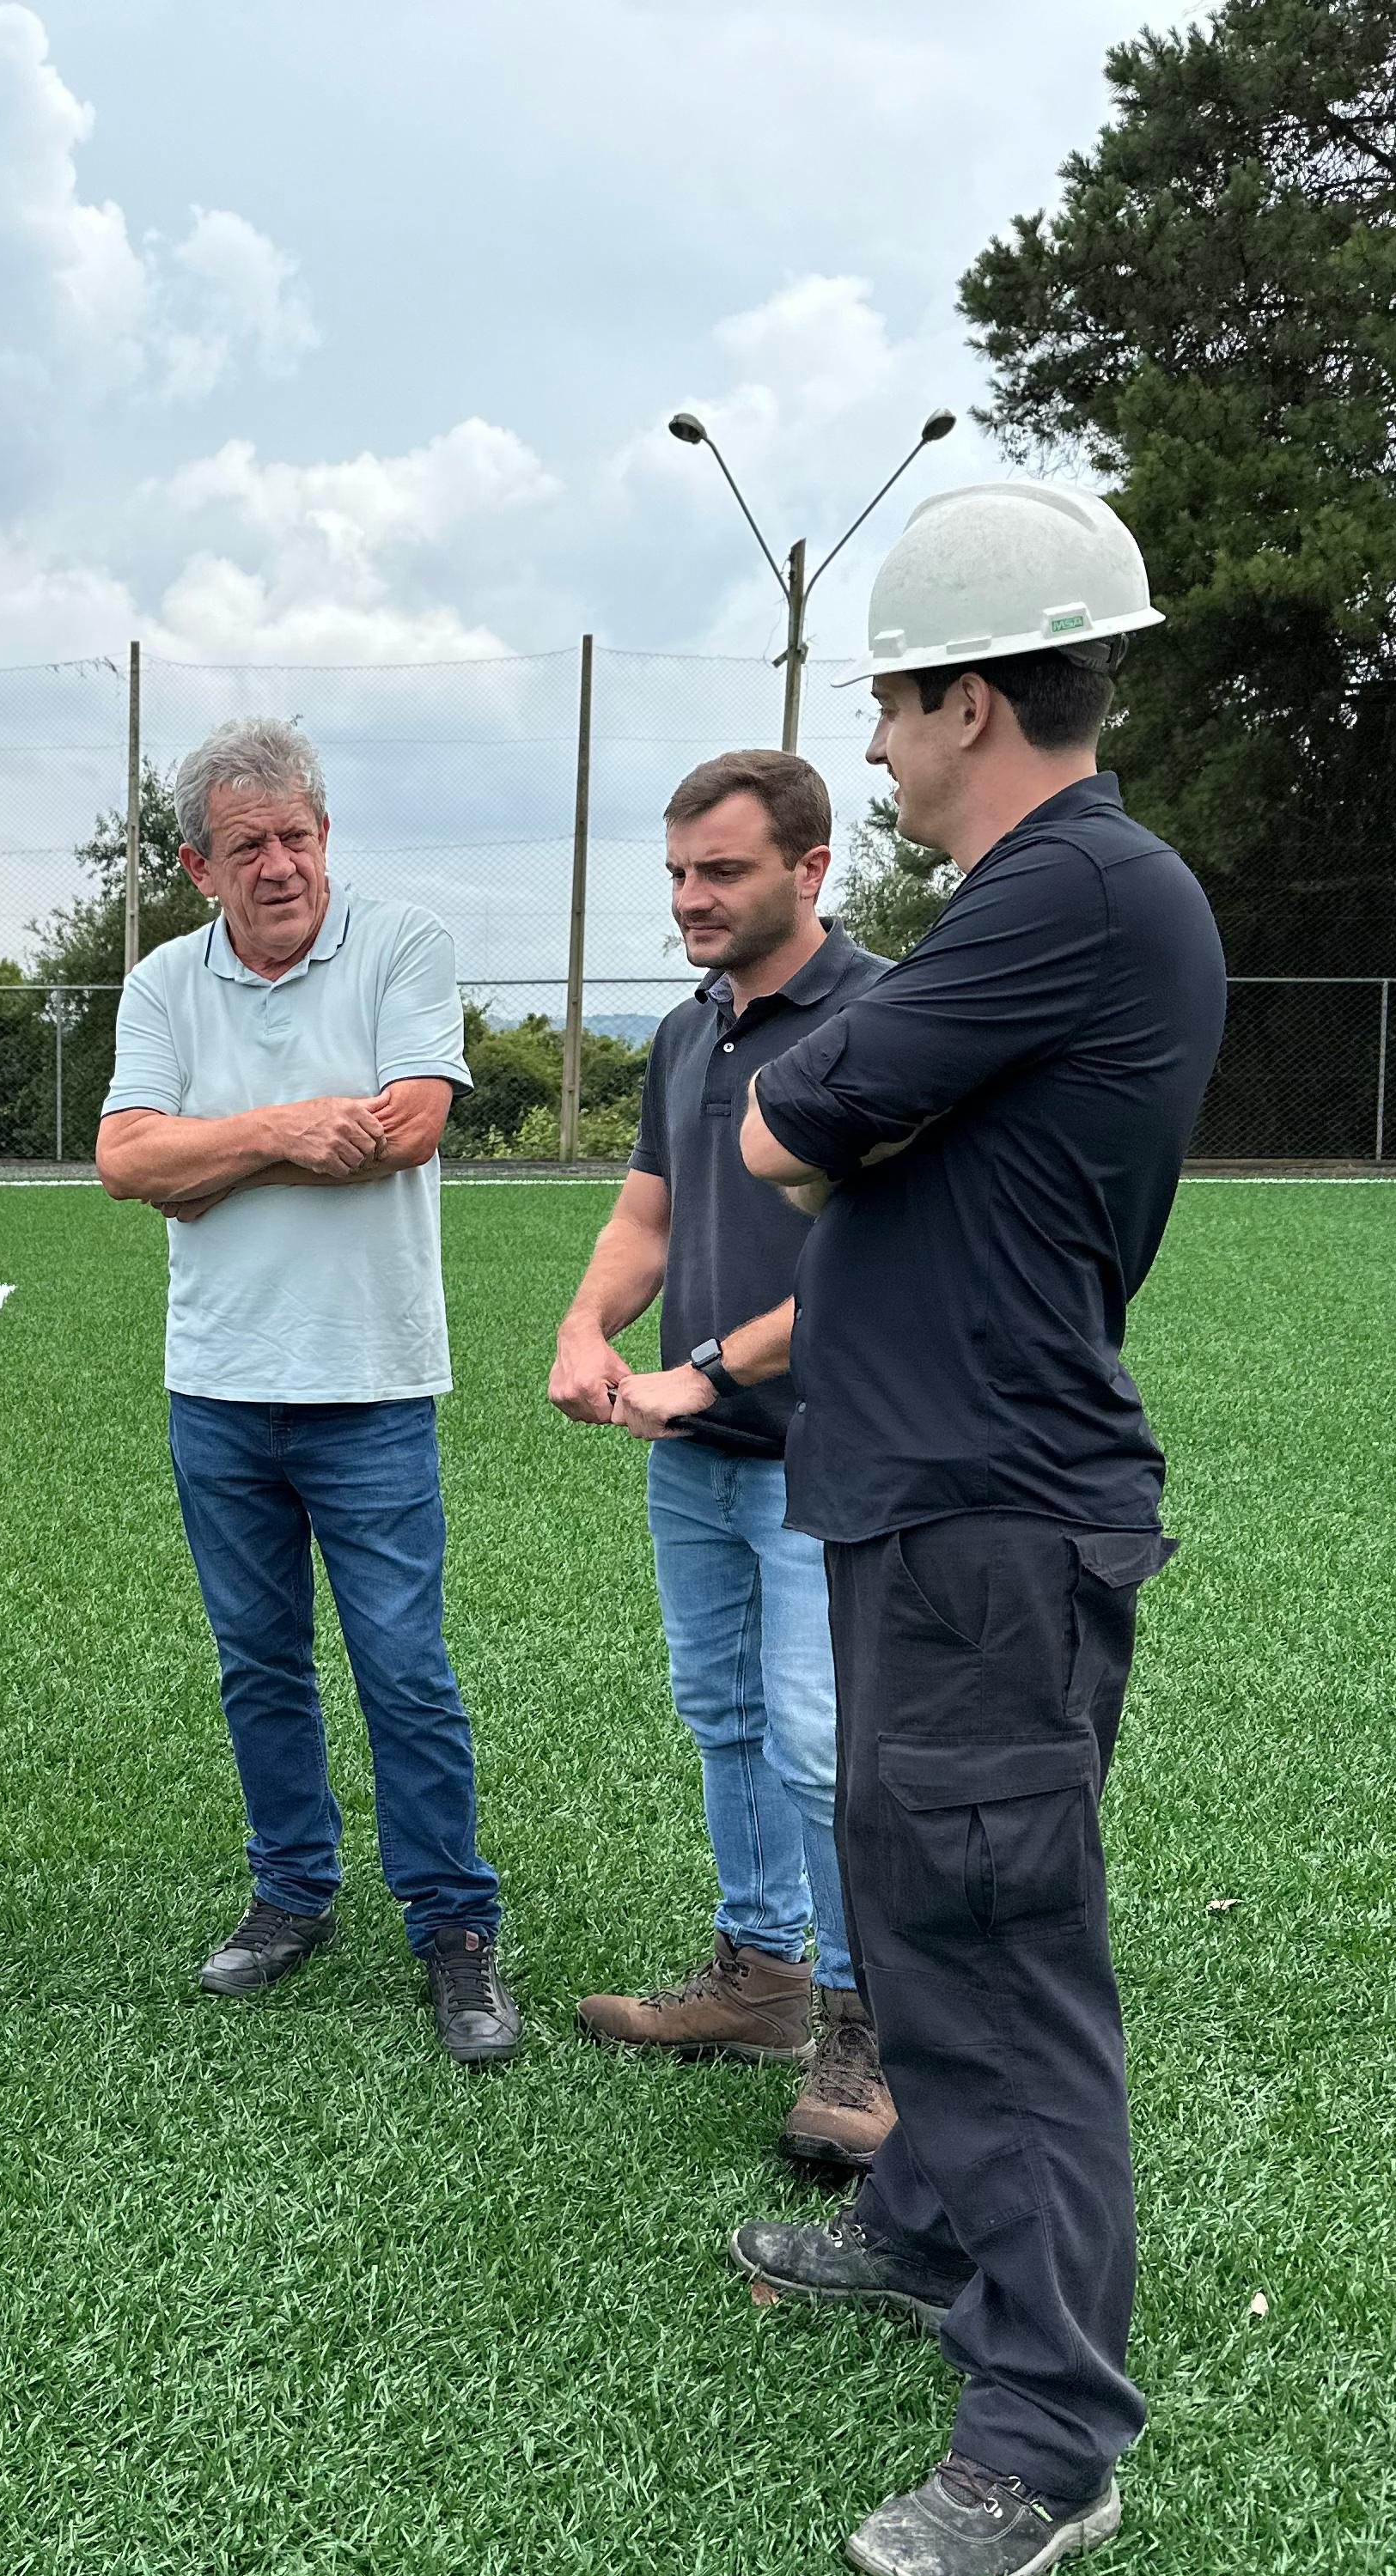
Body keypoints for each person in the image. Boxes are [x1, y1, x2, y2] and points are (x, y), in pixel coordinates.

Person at [726, 482, 1225, 2576]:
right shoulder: (1040, 914)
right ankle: (927, 2225)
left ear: (970, 699)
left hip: (990, 1518)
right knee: (917, 1897)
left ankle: (1046, 2435)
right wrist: (864, 1114)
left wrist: (854, 1115)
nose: (884, 750)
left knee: (1005, 1954)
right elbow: (835, 1122)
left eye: (896, 709)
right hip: (924, 1498)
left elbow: (782, 1122)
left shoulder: (1075, 897)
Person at [94, 716, 515, 2067]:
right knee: (258, 1664)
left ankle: (455, 1927)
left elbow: (407, 1129)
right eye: (246, 845)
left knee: (403, 1668)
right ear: (195, 864)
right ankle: (291, 1891)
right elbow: (120, 1162)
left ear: (327, 836)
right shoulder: (165, 983)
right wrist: (279, 1130)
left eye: (297, 836)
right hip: (216, 1386)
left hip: (372, 1383)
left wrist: (206, 1159)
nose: (279, 866)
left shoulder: (402, 945)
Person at [548, 748, 893, 2170]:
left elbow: (887, 1274)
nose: (692, 899)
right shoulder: (691, 1030)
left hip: (834, 1455)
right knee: (725, 1717)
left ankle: (870, 2023)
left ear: (811, 870)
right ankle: (757, 1975)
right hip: (693, 1457)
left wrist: (700, 1371)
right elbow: (646, 1218)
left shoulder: (885, 1021)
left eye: (724, 873)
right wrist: (585, 1325)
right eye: (679, 874)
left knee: (826, 1750)